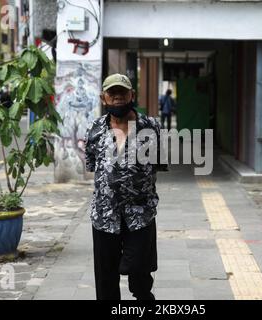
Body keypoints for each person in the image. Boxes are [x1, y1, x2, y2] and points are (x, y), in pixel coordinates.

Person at [84, 73, 168, 300]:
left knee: (140, 275)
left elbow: (160, 164)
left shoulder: (151, 127)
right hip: (104, 216)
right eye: (112, 93)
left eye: (123, 92)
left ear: (132, 95)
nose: (118, 97)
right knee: (105, 281)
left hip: (140, 215)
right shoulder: (94, 130)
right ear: (104, 98)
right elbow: (92, 165)